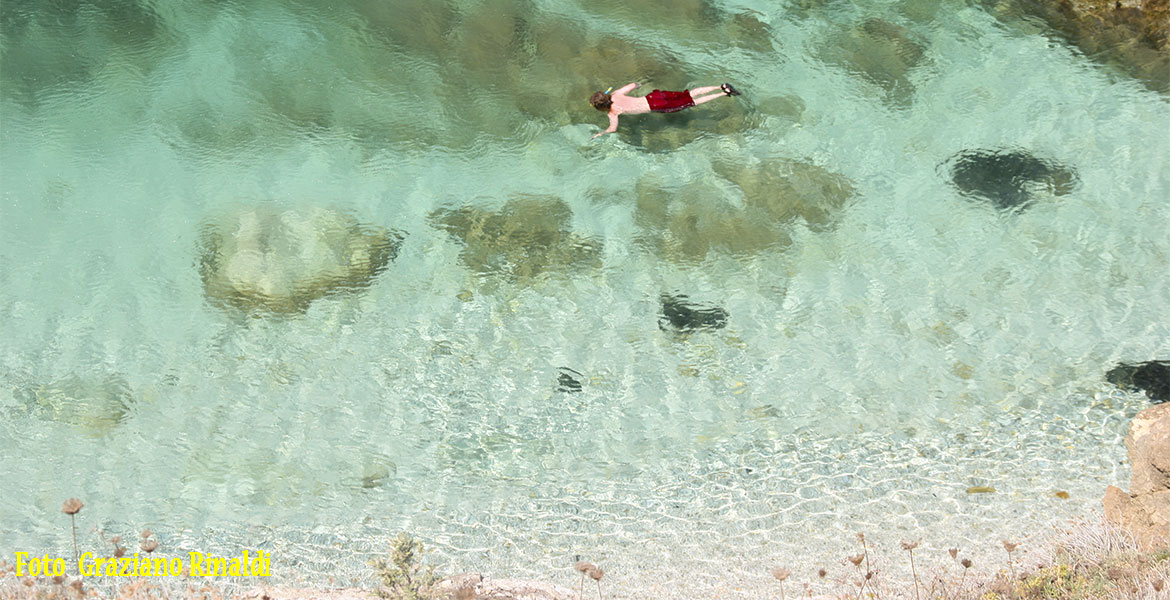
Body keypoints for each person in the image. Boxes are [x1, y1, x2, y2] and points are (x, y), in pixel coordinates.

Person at [590, 82, 741, 139]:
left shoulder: (613, 112)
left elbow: (613, 128)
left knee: (691, 102)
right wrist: (640, 84)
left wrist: (601, 133)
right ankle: (719, 86)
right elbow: (632, 84)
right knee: (687, 94)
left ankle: (724, 93)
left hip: (656, 107)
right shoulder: (616, 94)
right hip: (654, 97)